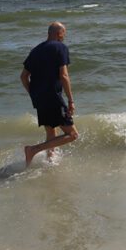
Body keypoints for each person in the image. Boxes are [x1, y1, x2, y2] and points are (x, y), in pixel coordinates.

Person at [21, 22, 78, 166]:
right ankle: (33, 150)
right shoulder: (60, 47)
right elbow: (64, 76)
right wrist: (71, 100)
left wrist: (33, 94)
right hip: (53, 97)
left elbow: (23, 76)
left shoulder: (35, 51)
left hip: (39, 98)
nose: (64, 36)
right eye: (64, 33)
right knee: (72, 135)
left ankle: (50, 160)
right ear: (58, 33)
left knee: (51, 131)